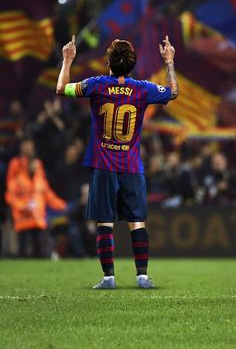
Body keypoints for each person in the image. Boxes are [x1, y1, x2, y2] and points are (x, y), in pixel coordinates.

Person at [56, 35, 179, 289]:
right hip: (132, 166)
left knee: (105, 220)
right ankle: (142, 276)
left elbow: (62, 89)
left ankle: (109, 278)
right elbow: (174, 92)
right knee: (137, 221)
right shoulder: (142, 88)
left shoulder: (97, 84)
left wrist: (67, 60)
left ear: (109, 62)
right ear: (131, 63)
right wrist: (169, 62)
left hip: (103, 165)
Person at [5, 137, 67, 257]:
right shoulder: (16, 167)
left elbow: (45, 191)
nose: (28, 150)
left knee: (39, 249)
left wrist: (61, 205)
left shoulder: (38, 165)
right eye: (26, 148)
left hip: (37, 216)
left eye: (30, 147)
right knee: (23, 248)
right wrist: (23, 206)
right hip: (23, 216)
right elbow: (10, 194)